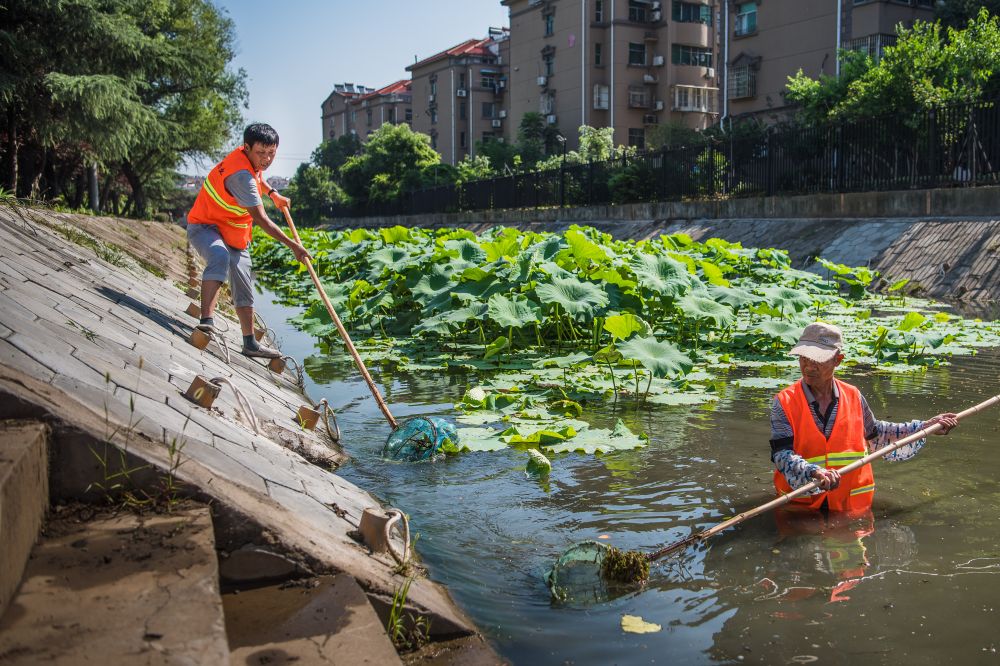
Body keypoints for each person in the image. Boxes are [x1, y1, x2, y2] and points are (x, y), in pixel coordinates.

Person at [770, 321, 959, 511]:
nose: (809, 366)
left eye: (818, 359)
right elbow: (782, 455)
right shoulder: (785, 401)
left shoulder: (853, 396)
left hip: (851, 507)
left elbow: (877, 435)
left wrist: (924, 427)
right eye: (804, 358)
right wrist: (814, 472)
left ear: (838, 360)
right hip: (799, 507)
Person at [186, 123, 310, 358]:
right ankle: (206, 321)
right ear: (247, 148)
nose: (266, 159)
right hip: (204, 226)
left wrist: (274, 194)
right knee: (219, 256)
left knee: (243, 278)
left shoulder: (249, 162)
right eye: (261, 153)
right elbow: (262, 220)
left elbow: (259, 177)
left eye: (272, 153)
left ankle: (250, 343)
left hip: (233, 232)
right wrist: (295, 246)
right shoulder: (241, 176)